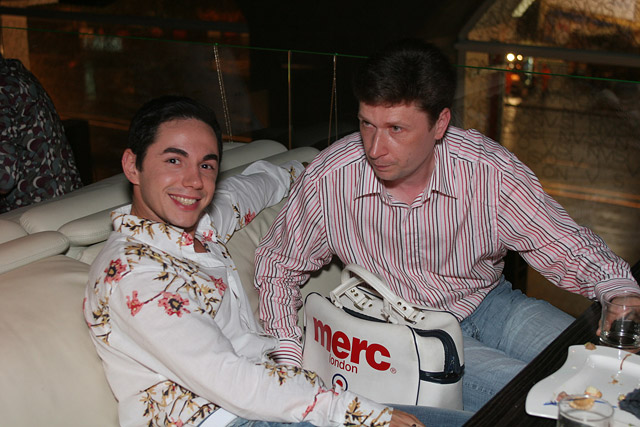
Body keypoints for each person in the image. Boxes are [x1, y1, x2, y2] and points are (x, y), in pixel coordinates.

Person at [254, 39, 640, 412]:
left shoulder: (486, 171)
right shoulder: (332, 178)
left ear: (440, 123)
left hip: (490, 302)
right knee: (561, 400)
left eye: (396, 129)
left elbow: (560, 241)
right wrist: (287, 354)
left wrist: (617, 289)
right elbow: (277, 266)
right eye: (366, 124)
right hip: (404, 330)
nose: (374, 148)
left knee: (614, 372)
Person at [84, 95, 460, 427]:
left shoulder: (200, 224)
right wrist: (360, 413)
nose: (194, 181)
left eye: (206, 165)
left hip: (275, 398)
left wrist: (309, 173)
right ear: (132, 166)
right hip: (223, 417)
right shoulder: (134, 275)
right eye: (173, 160)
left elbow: (253, 187)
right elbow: (228, 378)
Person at [0, 54, 82, 212]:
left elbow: (4, 177)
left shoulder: (3, 87)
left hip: (38, 213)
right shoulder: (14, 72)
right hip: (70, 200)